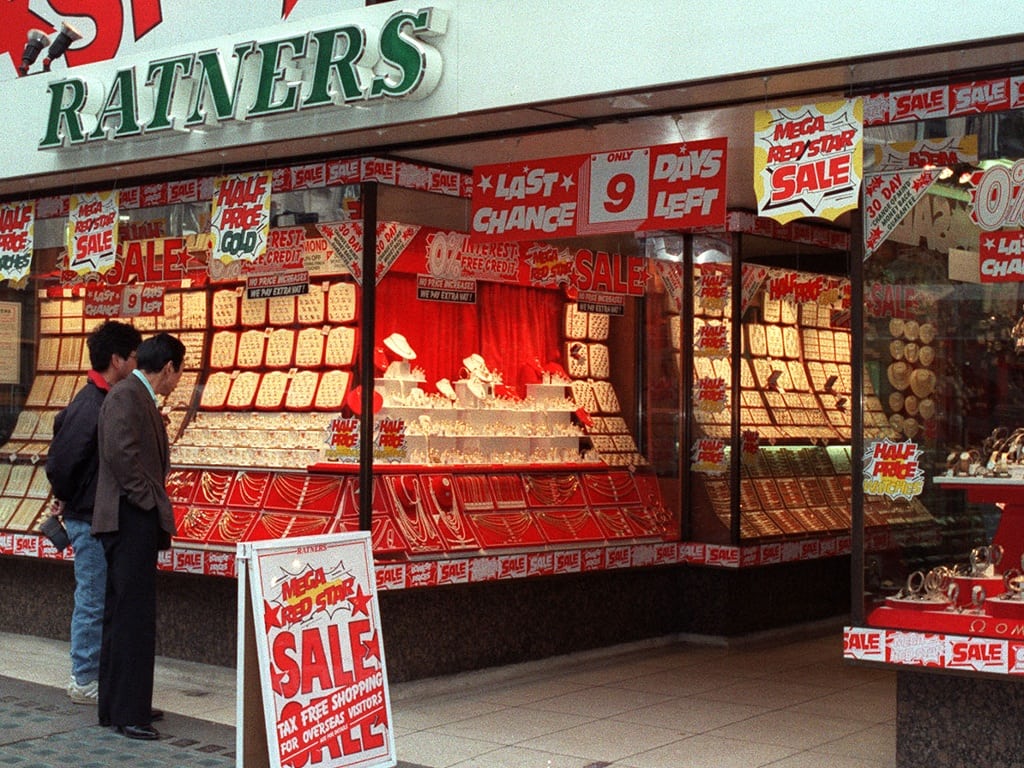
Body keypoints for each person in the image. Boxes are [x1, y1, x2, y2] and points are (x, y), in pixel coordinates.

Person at [92, 332, 185, 741]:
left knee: (126, 614)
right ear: (168, 367)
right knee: (132, 618)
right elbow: (122, 455)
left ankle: (121, 705)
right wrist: (147, 501)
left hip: (131, 517)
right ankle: (127, 712)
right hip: (129, 519)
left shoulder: (134, 395)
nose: (177, 382)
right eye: (178, 373)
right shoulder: (127, 395)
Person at [45, 320, 142, 705]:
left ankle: (96, 672)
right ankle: (84, 678)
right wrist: (68, 497)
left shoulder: (106, 400)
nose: (136, 365)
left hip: (98, 517)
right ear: (117, 360)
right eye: (133, 357)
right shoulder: (91, 404)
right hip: (88, 519)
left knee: (101, 598)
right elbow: (62, 463)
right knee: (92, 598)